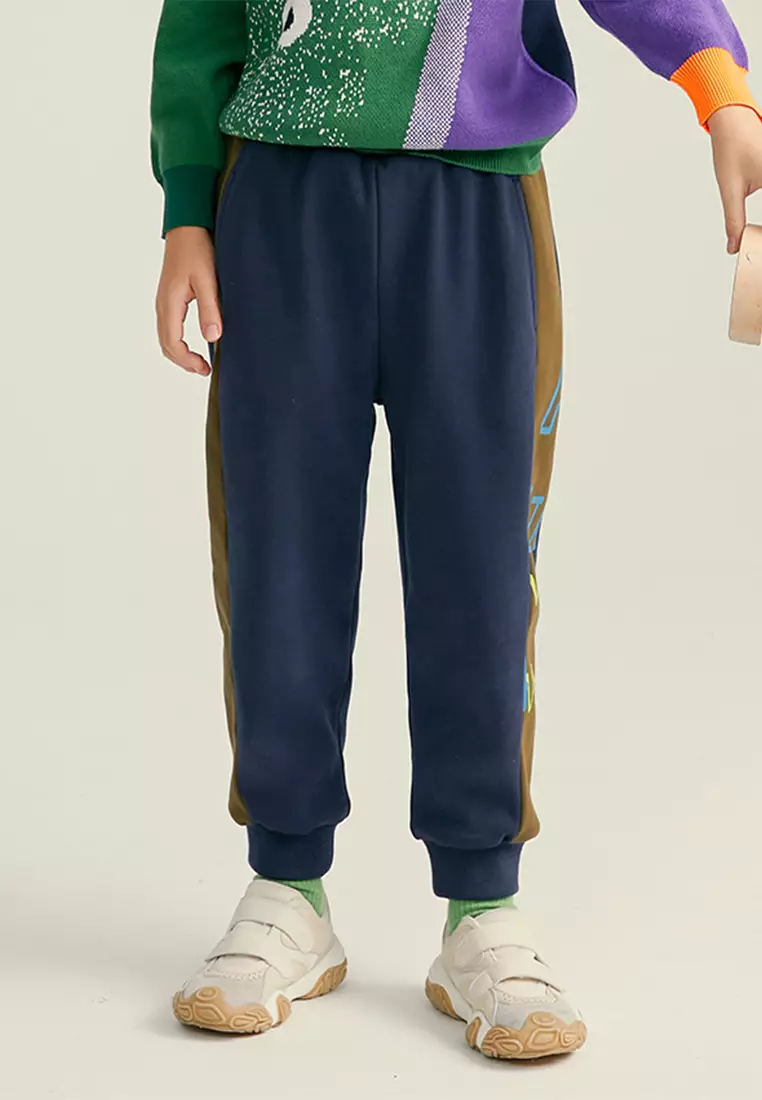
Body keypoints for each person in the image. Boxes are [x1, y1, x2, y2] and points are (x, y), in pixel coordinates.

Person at [151, 0, 762, 1059]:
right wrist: (185, 211)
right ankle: (286, 885)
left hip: (477, 203)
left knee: (480, 565)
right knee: (276, 555)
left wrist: (722, 91)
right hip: (279, 203)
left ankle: (483, 905)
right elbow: (201, 17)